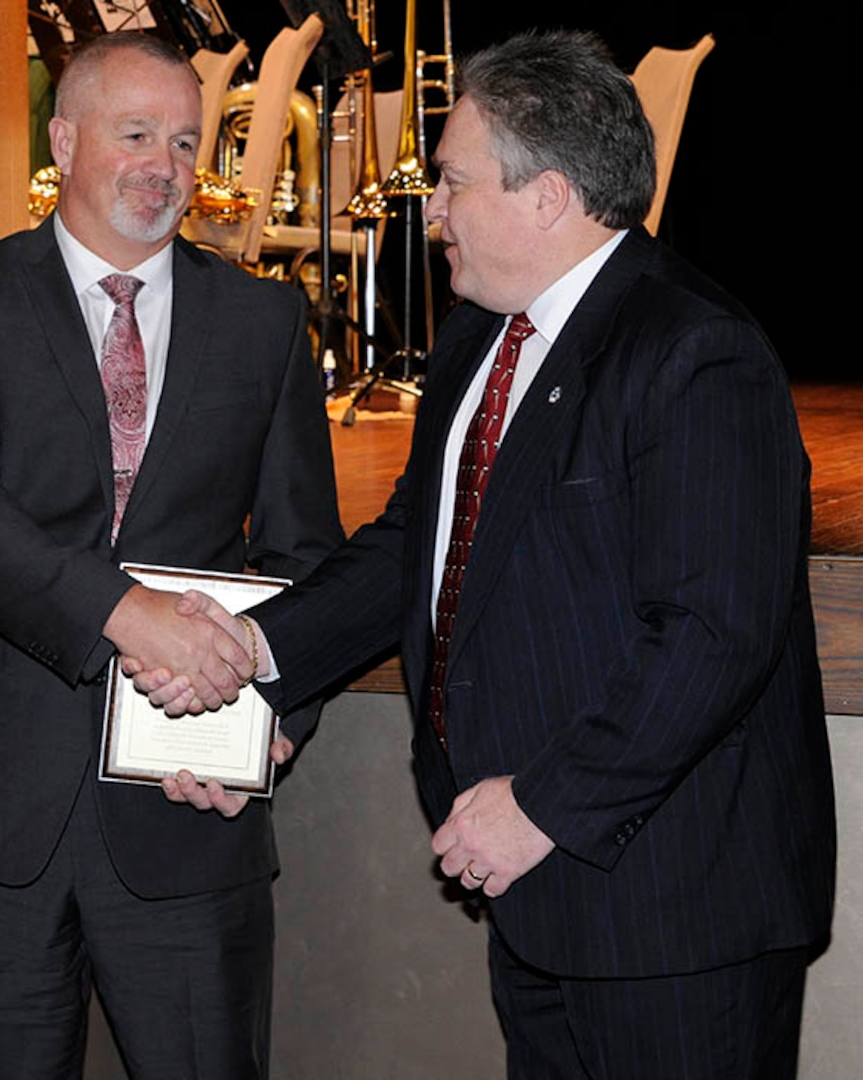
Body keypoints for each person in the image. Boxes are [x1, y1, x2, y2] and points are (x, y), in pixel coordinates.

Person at [138, 30, 836, 1079]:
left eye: (454, 182)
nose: (432, 210)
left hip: (670, 909)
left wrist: (542, 806)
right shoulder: (481, 337)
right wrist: (248, 658)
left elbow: (713, 636)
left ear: (547, 196)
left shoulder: (695, 352)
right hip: (538, 894)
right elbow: (411, 552)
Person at [0, 31, 342, 1080]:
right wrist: (124, 611)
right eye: (136, 135)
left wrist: (269, 724)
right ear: (64, 138)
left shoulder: (264, 320)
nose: (164, 166)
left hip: (190, 802)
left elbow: (309, 552)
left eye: (183, 141)